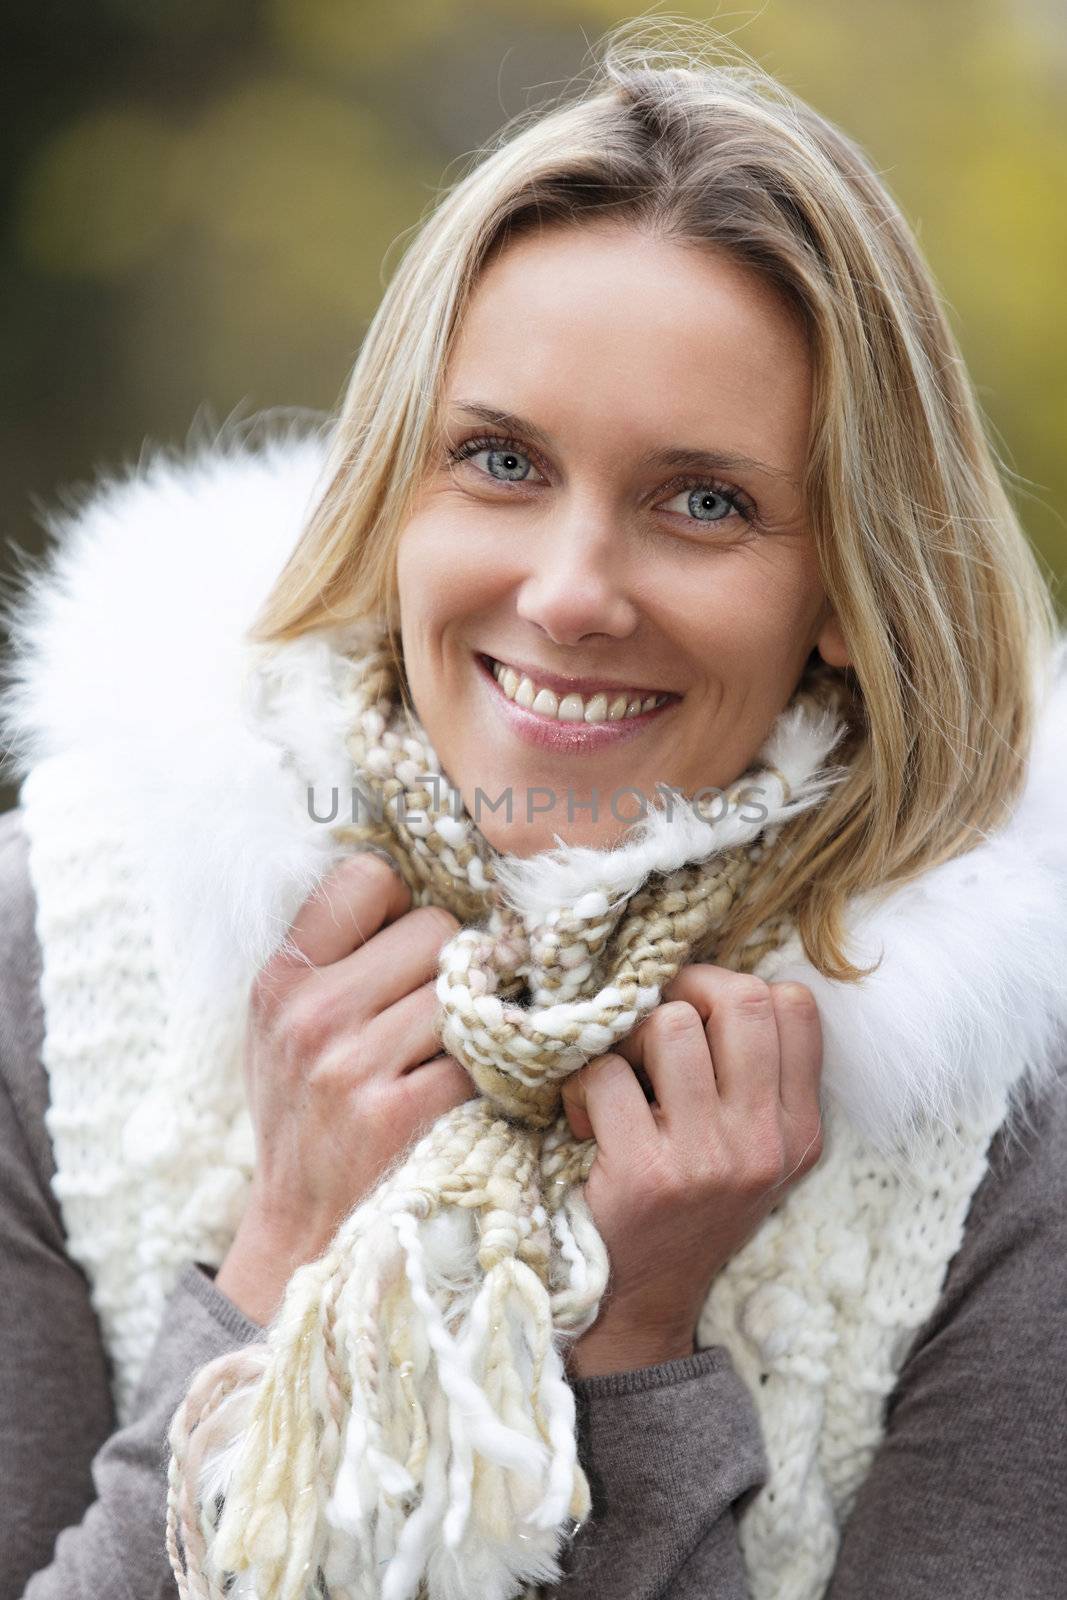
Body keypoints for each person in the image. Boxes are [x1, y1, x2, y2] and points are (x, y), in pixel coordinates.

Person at [2, 20, 1066, 1600]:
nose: (568, 595)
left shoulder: (1008, 1090)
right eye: (497, 460)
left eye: (703, 502)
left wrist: (634, 1363)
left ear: (848, 586)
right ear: (391, 489)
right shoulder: (72, 936)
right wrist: (283, 1251)